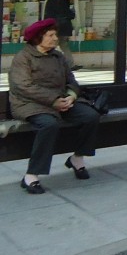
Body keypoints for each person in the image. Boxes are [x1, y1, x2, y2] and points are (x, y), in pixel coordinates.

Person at [8, 18, 101, 195]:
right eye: (50, 35)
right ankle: (31, 175)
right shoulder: (23, 58)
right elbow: (24, 87)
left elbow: (71, 80)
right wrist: (53, 100)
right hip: (30, 104)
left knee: (90, 116)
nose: (55, 38)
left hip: (61, 101)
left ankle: (77, 158)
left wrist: (71, 96)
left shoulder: (58, 56)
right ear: (37, 38)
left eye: (55, 34)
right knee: (49, 125)